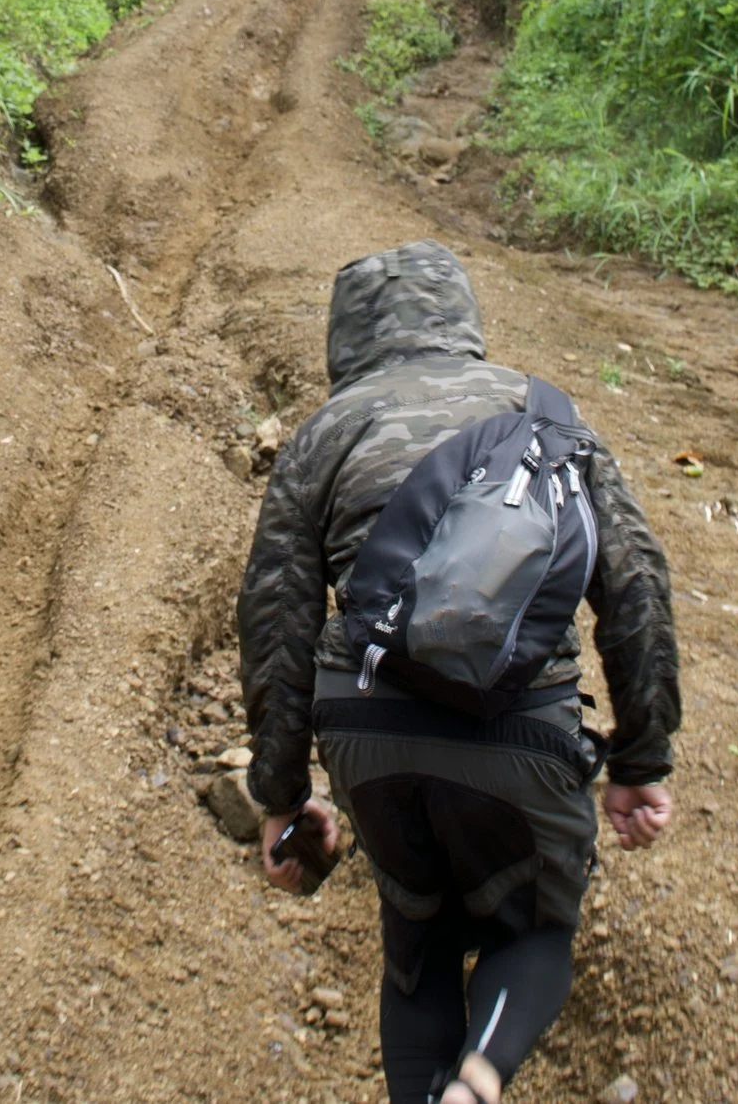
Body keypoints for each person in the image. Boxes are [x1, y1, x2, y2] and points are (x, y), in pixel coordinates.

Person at [237, 240, 681, 1104]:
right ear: (463, 318)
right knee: (539, 928)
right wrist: (640, 760)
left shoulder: (324, 434)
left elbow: (275, 625)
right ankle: (478, 1081)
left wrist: (284, 798)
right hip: (521, 730)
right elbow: (636, 586)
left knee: (416, 934)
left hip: (368, 732)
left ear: (347, 338)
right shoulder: (547, 415)